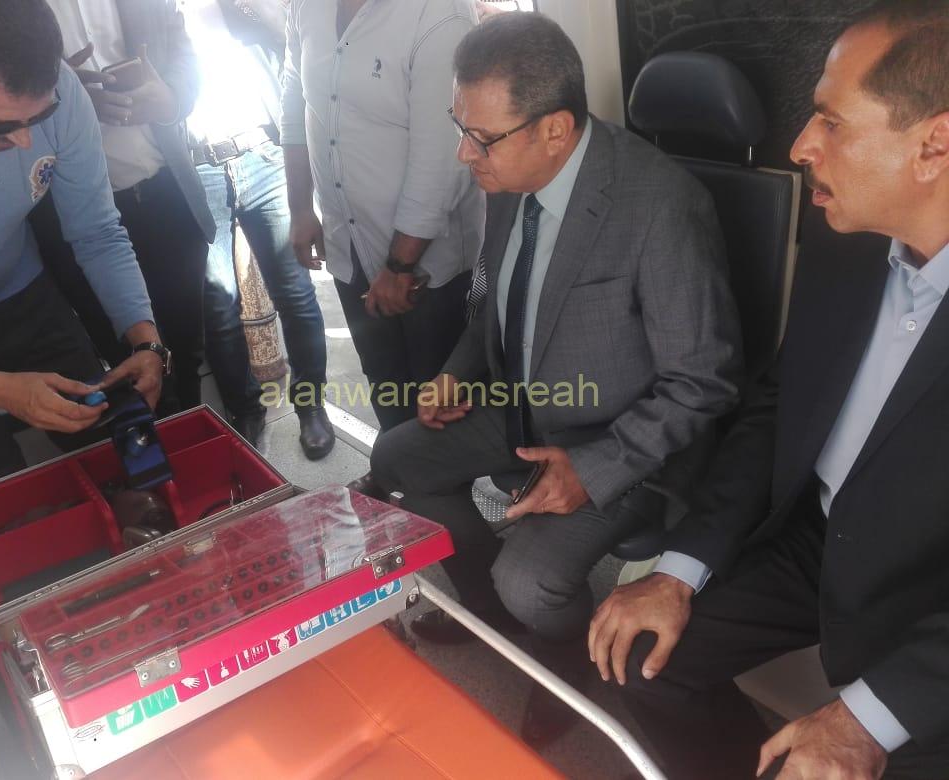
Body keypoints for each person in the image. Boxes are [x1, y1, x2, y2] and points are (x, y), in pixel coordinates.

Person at [590, 2, 949, 778]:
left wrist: (867, 719)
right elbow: (781, 406)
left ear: (934, 145)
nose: (800, 146)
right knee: (639, 657)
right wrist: (679, 568)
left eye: (832, 122)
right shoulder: (845, 235)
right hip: (818, 533)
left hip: (933, 591)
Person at [371, 12, 742, 747]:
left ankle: (563, 662)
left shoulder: (660, 206)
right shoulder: (508, 175)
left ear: (555, 129)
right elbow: (497, 306)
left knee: (531, 579)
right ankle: (493, 618)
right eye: (459, 126)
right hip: (524, 409)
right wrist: (455, 373)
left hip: (624, 440)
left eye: (480, 137)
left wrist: (594, 469)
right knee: (397, 456)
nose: (463, 152)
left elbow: (704, 381)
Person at [0, 0, 165, 498]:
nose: (26, 141)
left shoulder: (60, 88)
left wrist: (146, 340)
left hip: (21, 292)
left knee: (116, 445)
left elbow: (97, 231)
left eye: (40, 116)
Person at [280, 0, 485, 495]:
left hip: (427, 263)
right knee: (383, 375)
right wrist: (301, 207)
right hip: (350, 241)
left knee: (436, 389)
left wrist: (399, 265)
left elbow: (443, 158)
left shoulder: (439, 13)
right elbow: (295, 104)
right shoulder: (304, 7)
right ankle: (398, 470)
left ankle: (445, 501)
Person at [32, 0, 214, 416]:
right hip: (74, 221)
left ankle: (193, 440)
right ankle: (157, 446)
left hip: (166, 195)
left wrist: (170, 98)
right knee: (128, 364)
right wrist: (62, 100)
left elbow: (181, 49)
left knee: (185, 348)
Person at [183, 0, 335, 457]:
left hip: (263, 154)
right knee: (218, 306)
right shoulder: (150, 14)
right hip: (197, 168)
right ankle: (245, 410)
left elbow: (289, 40)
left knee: (295, 292)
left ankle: (311, 406)